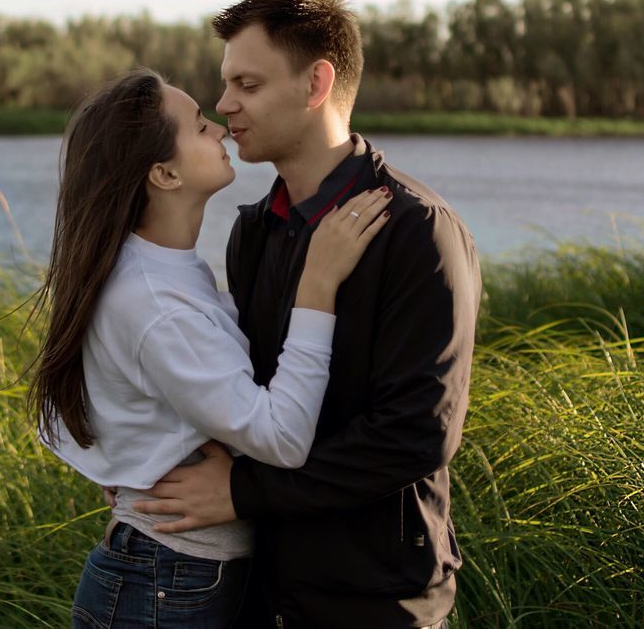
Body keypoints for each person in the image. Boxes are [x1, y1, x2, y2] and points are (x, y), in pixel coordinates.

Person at [132, 0, 481, 628]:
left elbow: (418, 432)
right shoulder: (253, 230)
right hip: (262, 585)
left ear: (316, 84)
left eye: (248, 85)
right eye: (227, 84)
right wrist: (142, 459)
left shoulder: (417, 232)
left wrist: (242, 492)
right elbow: (251, 396)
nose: (224, 103)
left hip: (376, 598)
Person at [27, 67, 393, 628]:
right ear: (164, 173)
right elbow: (283, 438)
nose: (220, 130)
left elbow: (80, 405)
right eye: (199, 127)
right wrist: (318, 287)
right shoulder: (155, 301)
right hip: (163, 585)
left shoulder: (157, 270)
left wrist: (130, 461)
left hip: (167, 576)